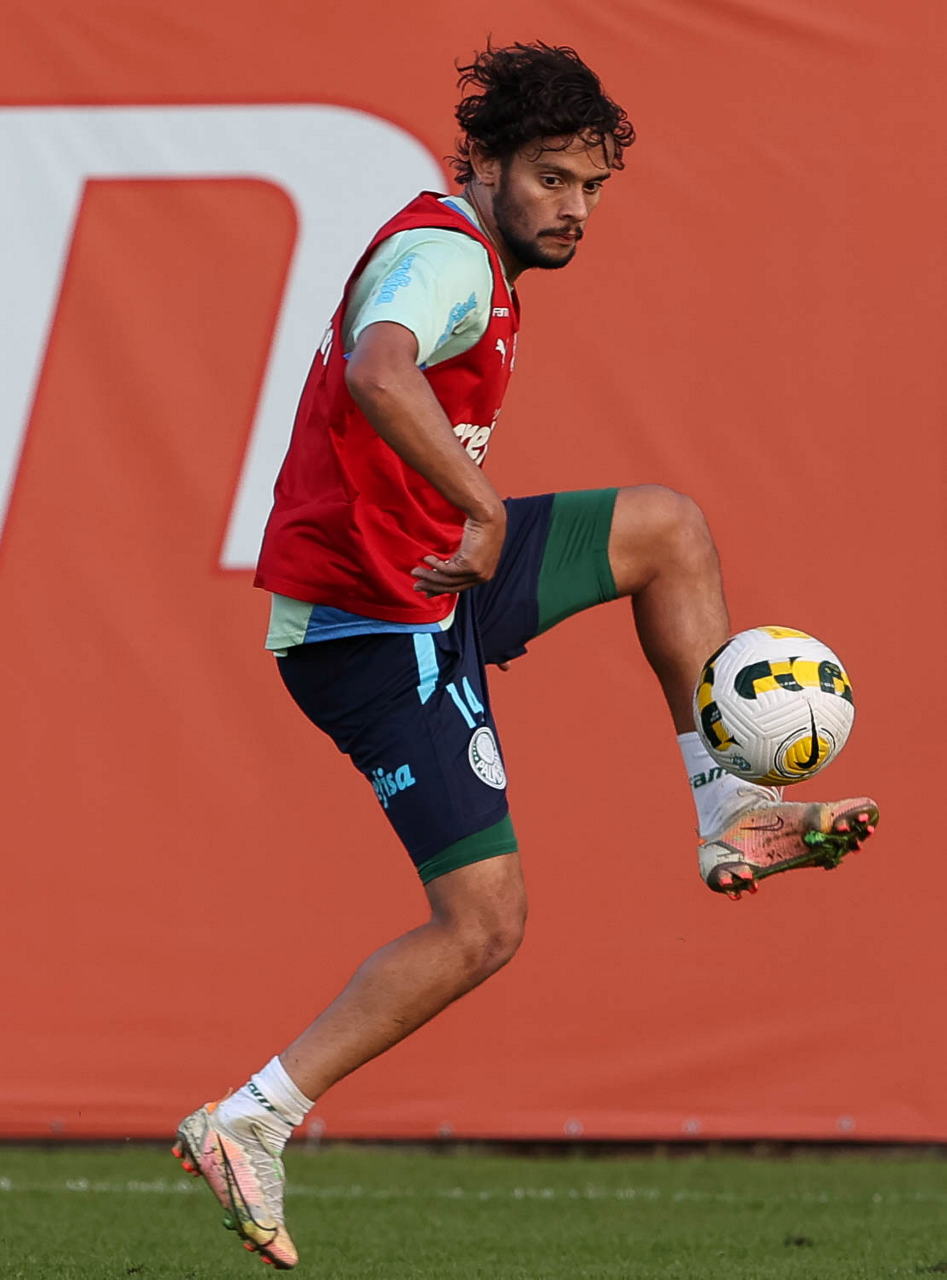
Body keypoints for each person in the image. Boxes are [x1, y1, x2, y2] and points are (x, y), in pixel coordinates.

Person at [172, 41, 878, 1270]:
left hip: (433, 583)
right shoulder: (444, 256)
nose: (574, 208)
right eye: (551, 178)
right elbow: (376, 367)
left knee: (665, 530)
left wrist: (470, 523)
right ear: (484, 165)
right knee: (485, 922)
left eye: (590, 187)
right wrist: (484, 509)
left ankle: (732, 810)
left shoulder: (478, 255)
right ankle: (249, 1117)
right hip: (370, 627)